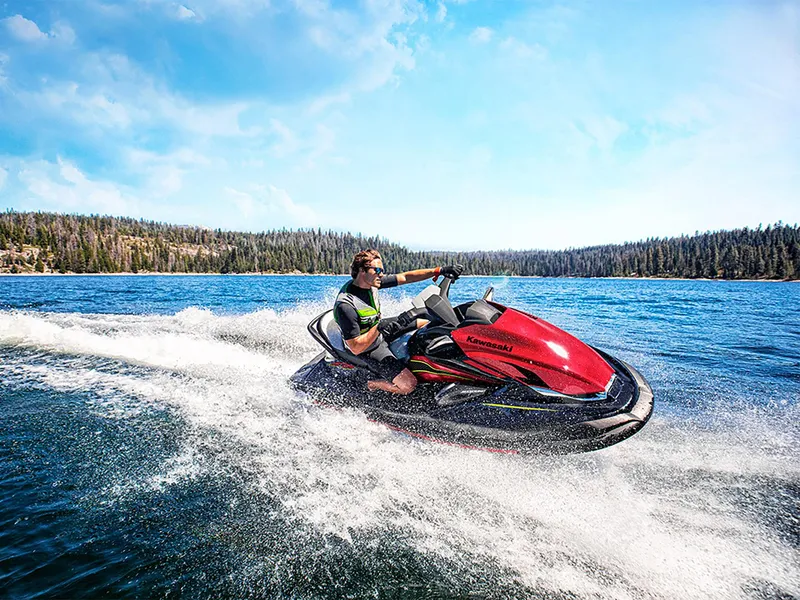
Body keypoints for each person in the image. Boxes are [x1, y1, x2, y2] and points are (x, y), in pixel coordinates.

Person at [334, 249, 463, 395]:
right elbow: (356, 347)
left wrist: (438, 271)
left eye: (382, 270)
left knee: (426, 322)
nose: (381, 274)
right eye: (377, 270)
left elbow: (406, 277)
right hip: (368, 347)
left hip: (379, 329)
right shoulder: (346, 306)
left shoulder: (372, 283)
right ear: (362, 270)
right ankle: (373, 384)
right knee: (409, 385)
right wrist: (379, 328)